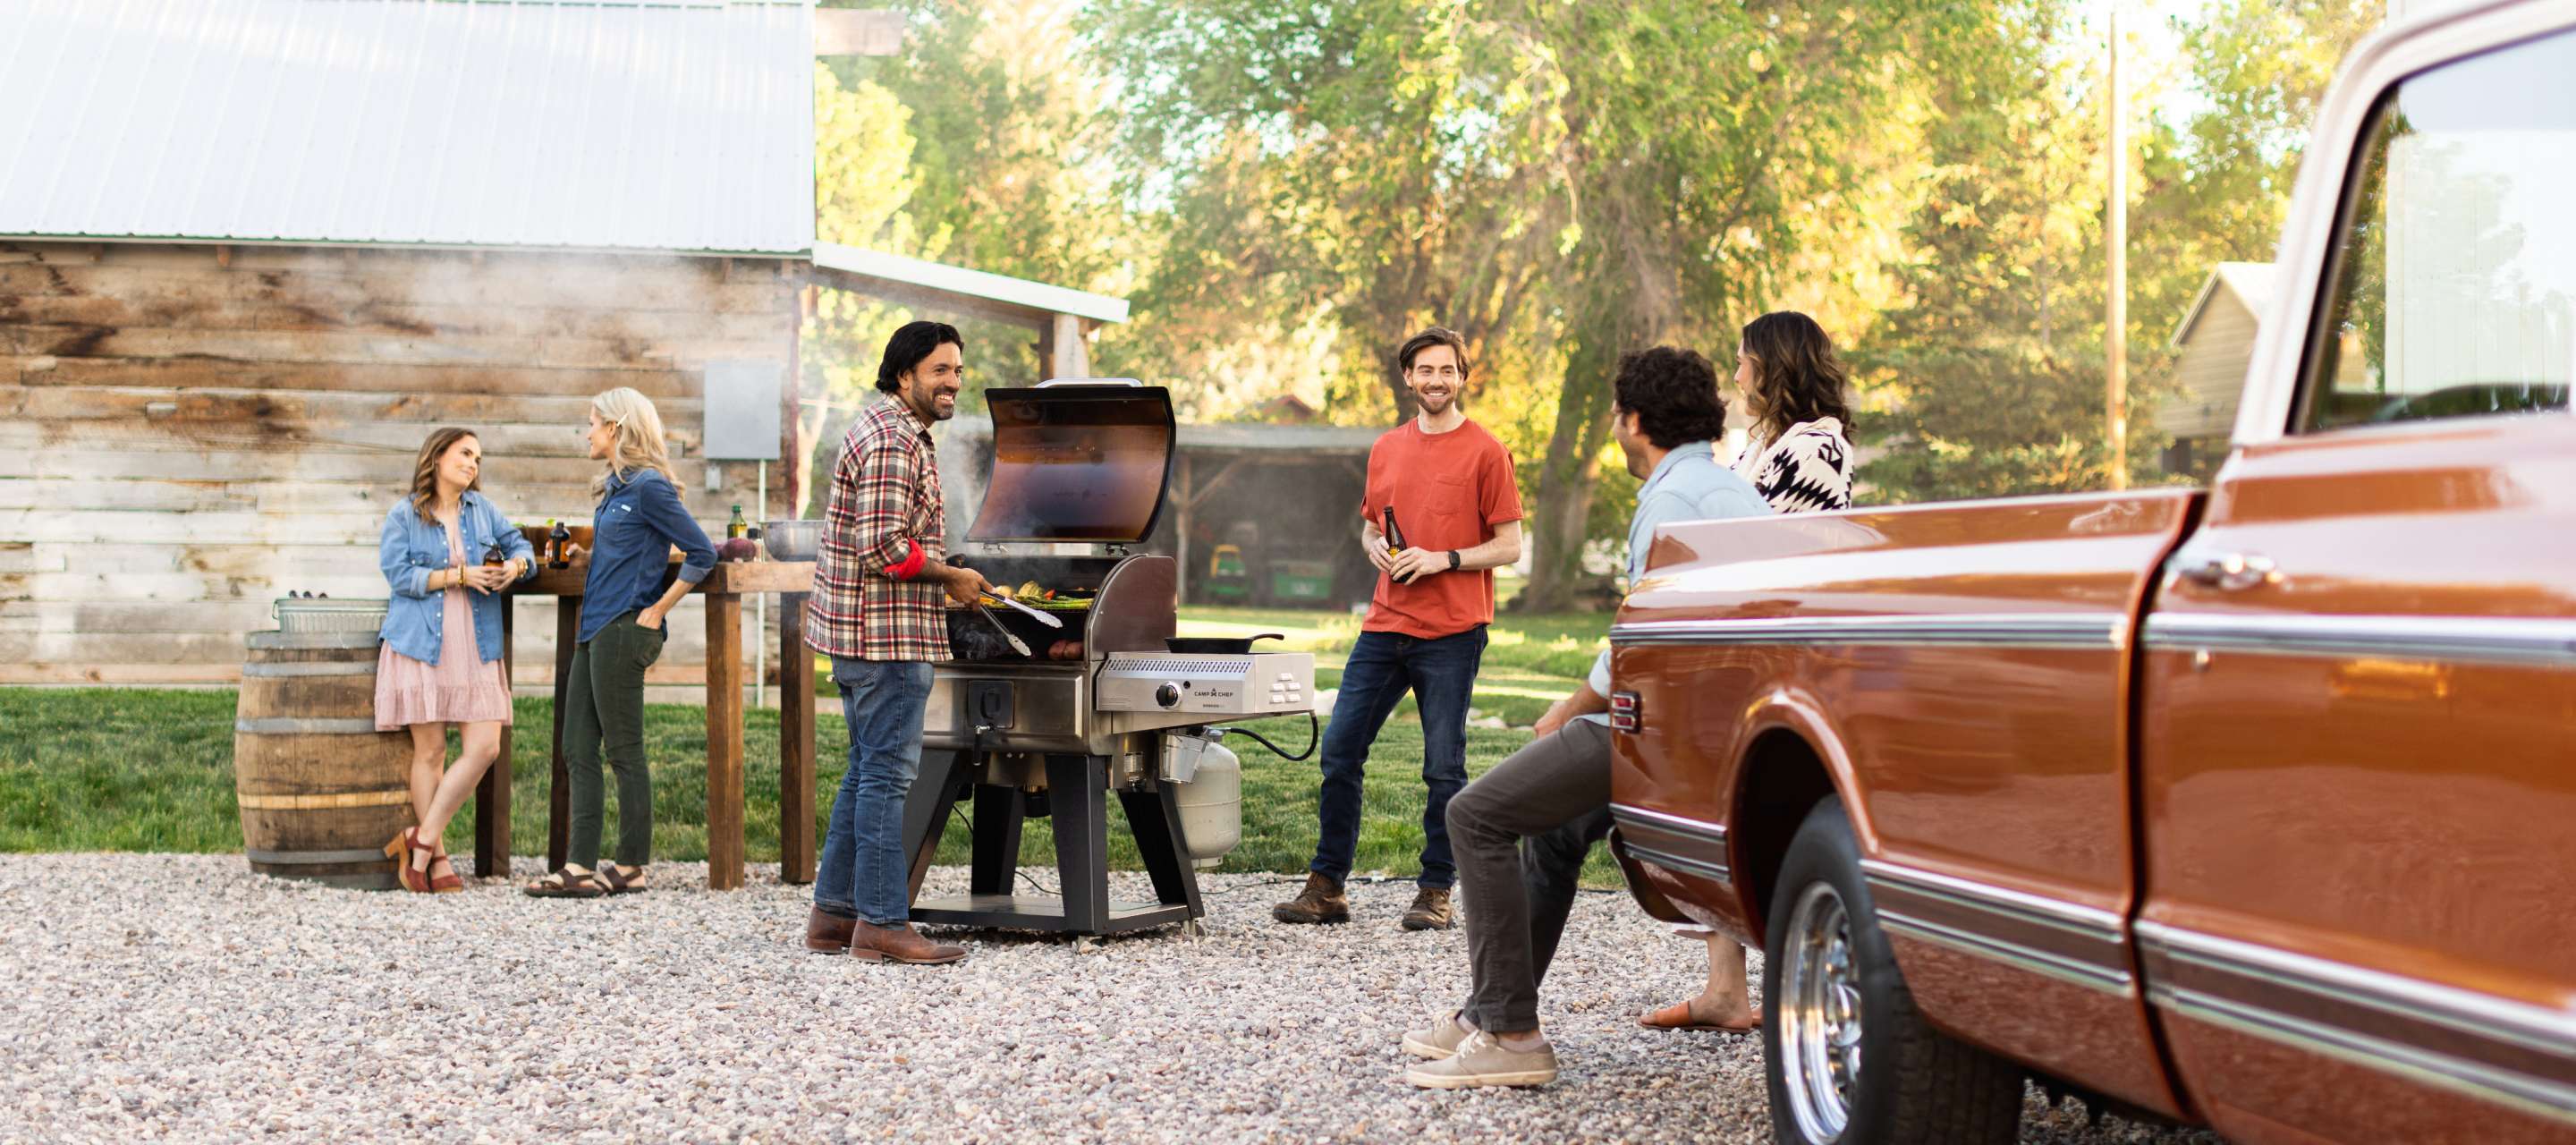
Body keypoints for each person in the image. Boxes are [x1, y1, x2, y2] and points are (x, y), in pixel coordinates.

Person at [1402, 345, 1772, 1089]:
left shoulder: (1671, 503)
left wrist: (1571, 709)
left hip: (1659, 734)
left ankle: (1511, 1033)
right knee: (1558, 830)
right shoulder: (1730, 491)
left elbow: (1644, 639)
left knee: (1475, 815)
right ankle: (1489, 1010)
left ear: (1634, 421)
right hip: (1712, 726)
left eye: (1615, 415)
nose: (1613, 427)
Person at [1635, 310, 1855, 1030]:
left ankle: (1799, 982)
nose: (1735, 373)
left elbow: (1777, 553)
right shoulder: (1767, 442)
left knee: (1750, 808)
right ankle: (1725, 988)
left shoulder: (1815, 447)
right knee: (1714, 803)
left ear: (1775, 364)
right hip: (1733, 639)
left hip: (1773, 644)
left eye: (1743, 360)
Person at [1273, 327, 1525, 931]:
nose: (1436, 380)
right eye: (1425, 370)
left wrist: (1445, 559)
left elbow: (1510, 544)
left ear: (1463, 377)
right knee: (1339, 752)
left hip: (1453, 632)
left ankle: (1435, 890)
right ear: (1407, 378)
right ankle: (1327, 886)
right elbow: (1369, 525)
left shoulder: (1487, 452)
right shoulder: (1387, 448)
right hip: (1385, 626)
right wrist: (1376, 550)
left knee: (1443, 767)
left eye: (1448, 370)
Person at [801, 320, 994, 964]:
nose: (953, 383)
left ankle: (833, 918)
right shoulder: (891, 439)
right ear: (904, 373)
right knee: (886, 780)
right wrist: (950, 575)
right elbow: (882, 547)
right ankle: (884, 924)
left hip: (866, 634)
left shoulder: (892, 429)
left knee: (864, 775)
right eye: (941, 370)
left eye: (959, 371)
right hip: (884, 640)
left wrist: (942, 573)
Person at [524, 388, 716, 897]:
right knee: (576, 746)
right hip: (594, 629)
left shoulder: (651, 487)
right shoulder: (615, 489)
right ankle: (579, 866)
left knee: (624, 750)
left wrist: (657, 610)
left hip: (624, 629)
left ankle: (631, 864)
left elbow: (701, 552)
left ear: (616, 428)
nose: (586, 432)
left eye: (592, 423)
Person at [376, 428, 538, 893]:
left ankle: (420, 841)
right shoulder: (404, 514)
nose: (473, 463)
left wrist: (515, 567)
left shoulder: (483, 511)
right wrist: (459, 575)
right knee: (431, 752)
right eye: (465, 453)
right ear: (438, 455)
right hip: (422, 640)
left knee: (485, 747)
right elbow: (398, 574)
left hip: (477, 641)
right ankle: (438, 857)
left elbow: (520, 546)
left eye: (478, 458)